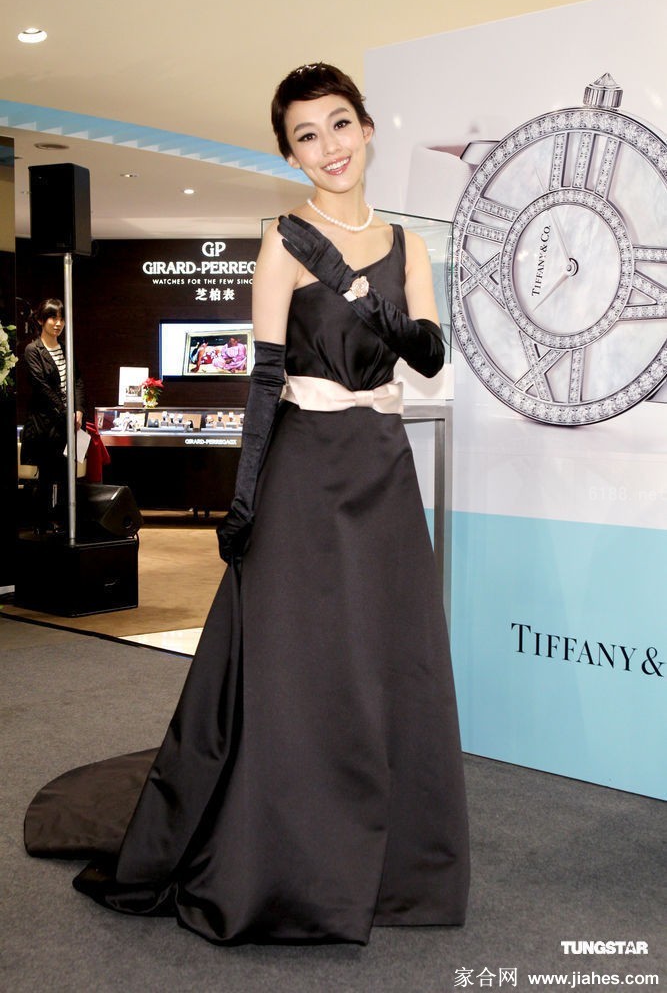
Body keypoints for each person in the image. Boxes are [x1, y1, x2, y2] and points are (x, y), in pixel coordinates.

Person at [24, 63, 469, 945]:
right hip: (303, 471)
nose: (328, 147)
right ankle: (285, 862)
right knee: (297, 665)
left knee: (390, 656)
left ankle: (395, 869)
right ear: (289, 154)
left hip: (381, 467)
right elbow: (264, 383)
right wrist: (244, 498)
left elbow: (427, 356)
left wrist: (367, 301)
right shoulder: (283, 242)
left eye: (338, 124)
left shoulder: (408, 247)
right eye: (306, 135)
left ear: (366, 128)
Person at [20, 298, 85, 533]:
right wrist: (67, 412)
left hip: (69, 424)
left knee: (68, 476)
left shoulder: (66, 348)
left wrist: (79, 410)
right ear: (41, 320)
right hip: (46, 425)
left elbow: (77, 380)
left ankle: (67, 525)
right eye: (52, 318)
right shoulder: (33, 350)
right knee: (46, 477)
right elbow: (42, 387)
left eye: (61, 318)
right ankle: (41, 526)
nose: (58, 323)